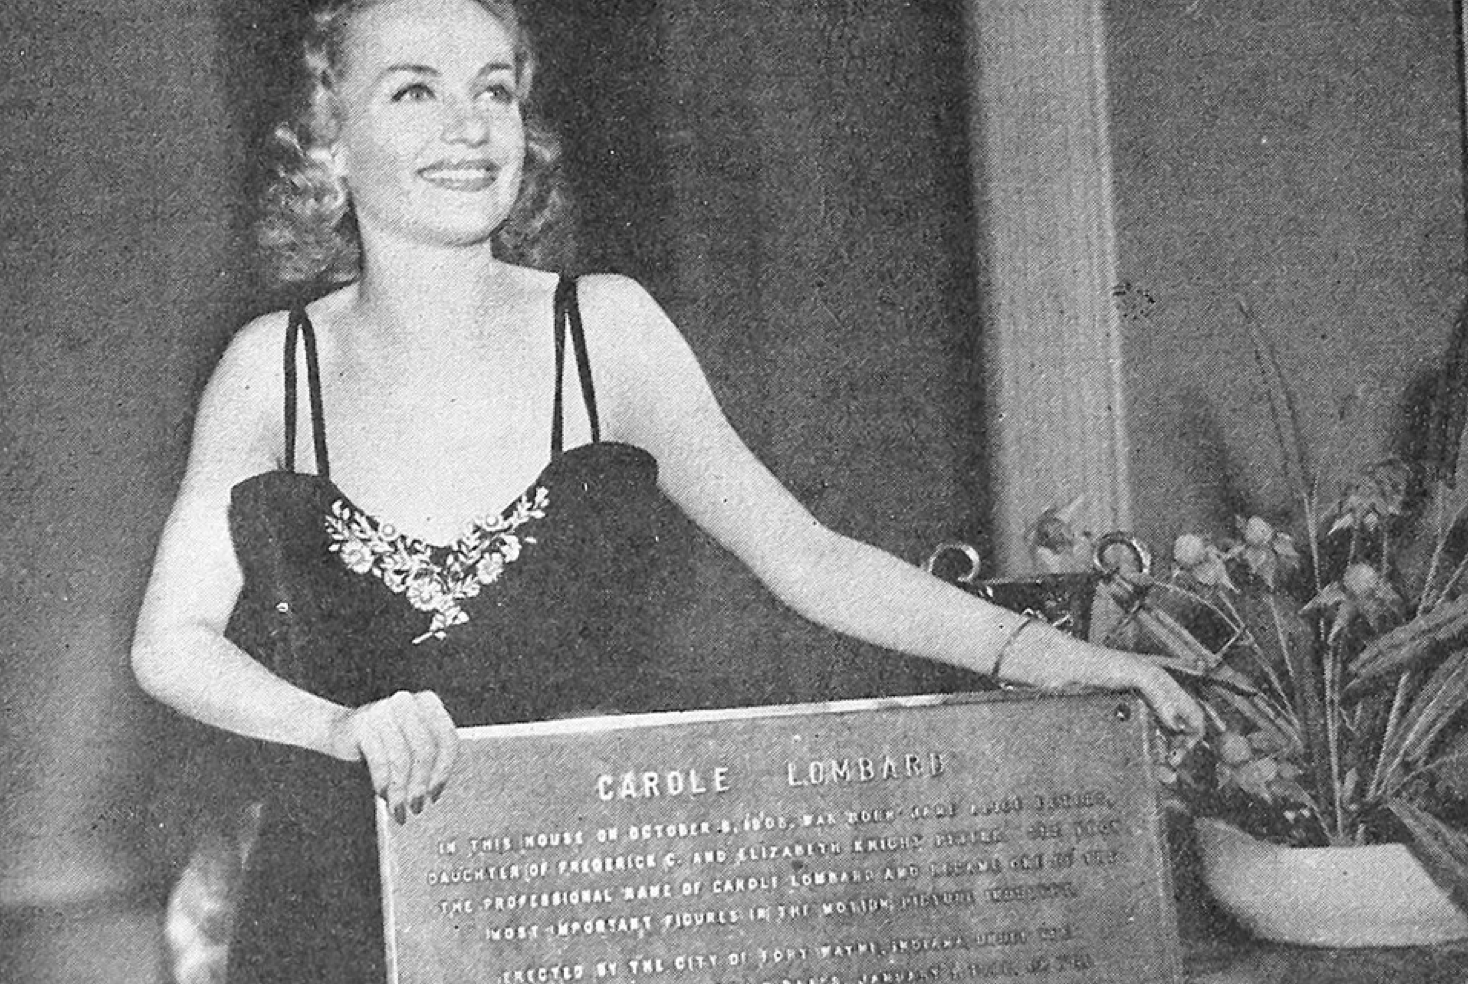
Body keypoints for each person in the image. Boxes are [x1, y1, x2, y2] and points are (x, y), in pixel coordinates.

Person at [131, 0, 1204, 980]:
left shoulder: (606, 332)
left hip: (587, 904)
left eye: (494, 90)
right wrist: (336, 727)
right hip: (334, 917)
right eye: (414, 90)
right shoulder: (270, 368)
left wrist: (1064, 660)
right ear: (329, 140)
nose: (469, 126)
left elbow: (810, 560)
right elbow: (171, 643)